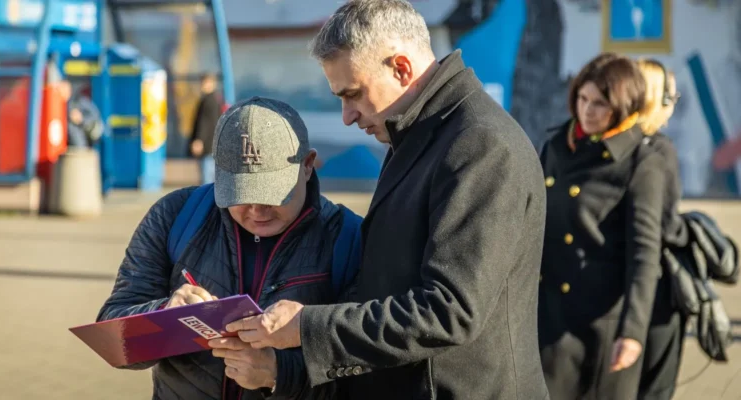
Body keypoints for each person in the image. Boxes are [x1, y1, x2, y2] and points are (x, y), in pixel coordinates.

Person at [225, 1, 549, 399]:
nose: (347, 115)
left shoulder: (479, 144)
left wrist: (308, 327)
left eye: (354, 94)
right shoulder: (422, 134)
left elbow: (448, 312)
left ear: (401, 69)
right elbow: (386, 280)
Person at [97, 96, 360, 400]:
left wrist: (281, 374)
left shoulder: (348, 236)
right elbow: (114, 343)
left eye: (273, 195)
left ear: (308, 166)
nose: (257, 211)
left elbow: (371, 365)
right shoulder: (175, 215)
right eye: (241, 194)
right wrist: (163, 315)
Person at [536, 52, 681, 399]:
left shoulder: (641, 161)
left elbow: (645, 254)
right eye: (582, 99)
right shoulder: (557, 146)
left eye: (600, 103)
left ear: (623, 106)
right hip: (547, 315)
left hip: (600, 326)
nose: (588, 110)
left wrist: (632, 332)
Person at [635, 58, 689, 400]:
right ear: (660, 100)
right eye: (672, 95)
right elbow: (667, 227)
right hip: (654, 295)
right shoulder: (659, 151)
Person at [189, 73, 222, 185]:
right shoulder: (214, 99)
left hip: (207, 145)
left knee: (207, 179)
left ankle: (208, 202)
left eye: (205, 83)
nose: (202, 85)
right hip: (211, 145)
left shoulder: (209, 100)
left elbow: (205, 123)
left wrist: (199, 140)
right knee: (209, 177)